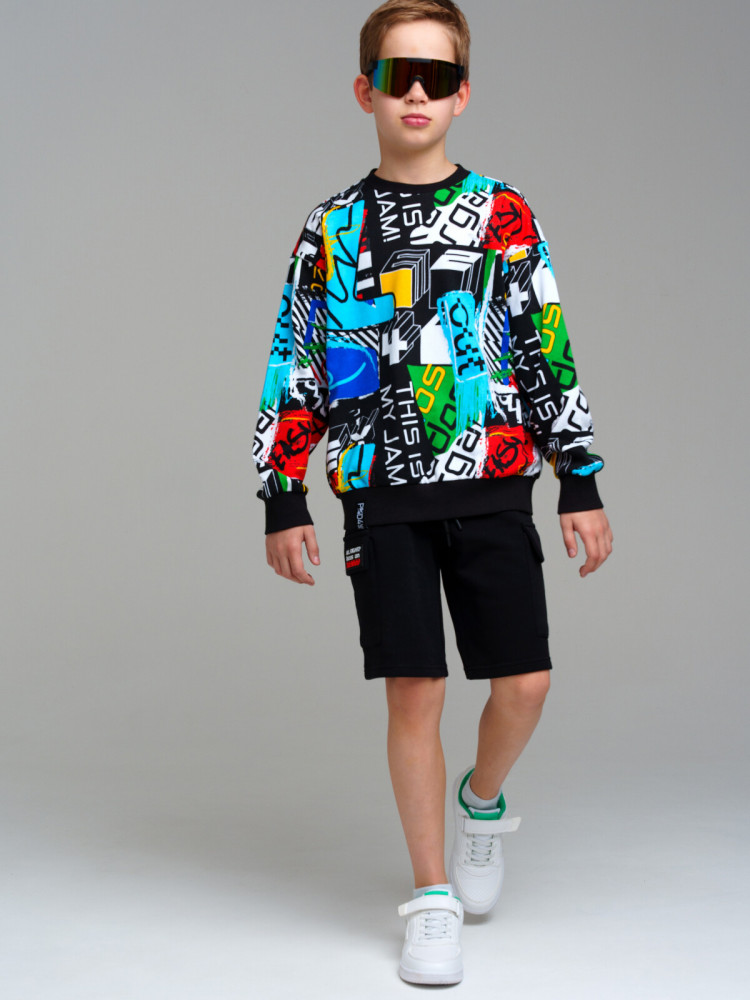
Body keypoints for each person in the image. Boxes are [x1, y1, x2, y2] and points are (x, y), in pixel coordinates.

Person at [253, 0, 613, 986]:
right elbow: (297, 363)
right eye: (397, 73)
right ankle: (431, 897)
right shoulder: (332, 228)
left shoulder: (505, 214)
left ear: (463, 95)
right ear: (364, 89)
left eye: (438, 76)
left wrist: (578, 475)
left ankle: (482, 803)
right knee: (415, 689)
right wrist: (283, 492)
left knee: (524, 681)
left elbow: (543, 342)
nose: (417, 92)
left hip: (493, 479)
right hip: (381, 493)